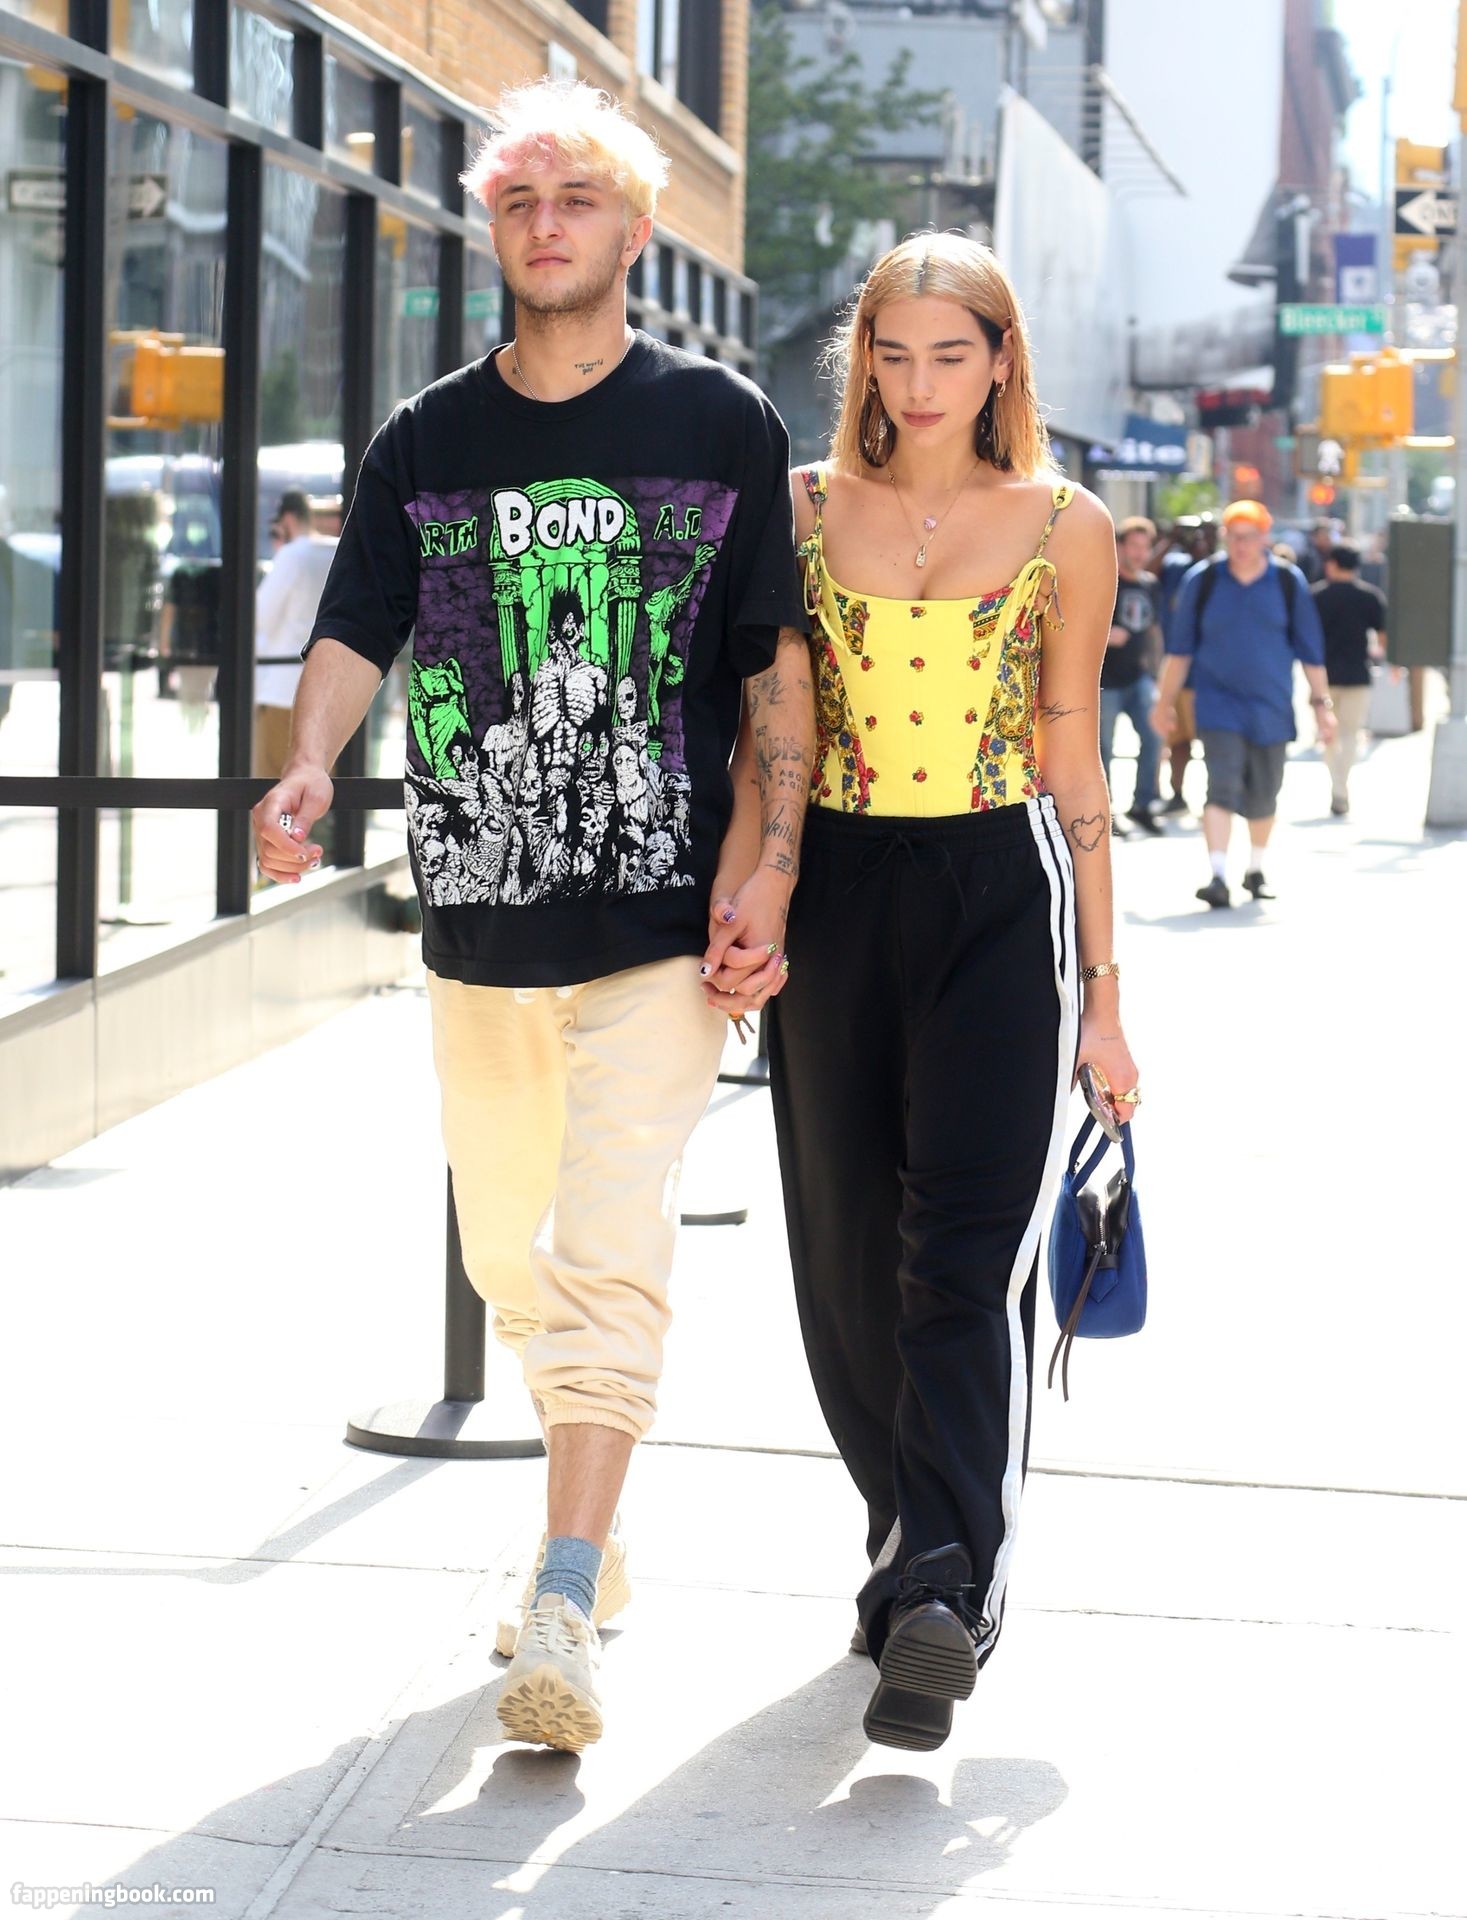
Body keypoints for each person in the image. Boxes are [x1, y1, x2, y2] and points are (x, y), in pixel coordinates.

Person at [250, 78, 811, 1752]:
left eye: (573, 200)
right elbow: (356, 624)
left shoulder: (718, 421)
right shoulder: (427, 438)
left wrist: (769, 866)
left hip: (659, 920)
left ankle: (560, 1594)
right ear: (492, 231)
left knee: (609, 1243)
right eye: (517, 202)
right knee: (512, 1251)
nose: (543, 224)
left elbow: (771, 669)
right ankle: (603, 1533)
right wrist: (306, 764)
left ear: (635, 232)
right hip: (480, 921)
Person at [718, 231, 1139, 1754]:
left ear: (1001, 360)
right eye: (890, 355)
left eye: (949, 355)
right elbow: (771, 737)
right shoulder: (798, 510)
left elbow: (1072, 754)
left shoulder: (1066, 526)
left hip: (998, 894)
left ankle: (949, 1586)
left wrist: (1104, 996)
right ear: (861, 362)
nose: (916, 383)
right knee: (844, 1258)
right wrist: (756, 891)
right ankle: (902, 1548)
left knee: (959, 1257)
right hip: (836, 887)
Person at [1151, 498, 1335, 908]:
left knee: (1265, 794)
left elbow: (1310, 651)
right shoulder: (1204, 580)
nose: (1241, 545)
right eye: (1234, 537)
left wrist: (1322, 707)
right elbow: (1179, 651)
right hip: (1218, 705)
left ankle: (1255, 870)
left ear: (1264, 537)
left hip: (1272, 707)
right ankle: (1218, 876)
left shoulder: (1286, 582)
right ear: (1225, 537)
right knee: (1221, 785)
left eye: (1249, 537)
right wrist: (1163, 703)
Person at [253, 489, 337, 777]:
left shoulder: (292, 555)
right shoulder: (336, 552)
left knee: (274, 782)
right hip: (331, 693)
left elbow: (260, 617)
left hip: (283, 690)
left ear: (287, 520)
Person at [1312, 539, 1387, 816]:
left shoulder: (1316, 596)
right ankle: (1341, 788)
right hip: (1358, 675)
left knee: (1328, 735)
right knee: (1351, 735)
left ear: (1332, 564)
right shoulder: (1370, 596)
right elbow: (1382, 637)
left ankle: (1337, 784)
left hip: (1322, 677)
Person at [1100, 515, 1163, 835]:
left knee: (1154, 736)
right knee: (1103, 749)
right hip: (1104, 681)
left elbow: (1153, 631)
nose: (1139, 553)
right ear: (1119, 546)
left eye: (1144, 546)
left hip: (1138, 678)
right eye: (1134, 545)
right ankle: (1105, 812)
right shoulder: (1103, 580)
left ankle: (1143, 804)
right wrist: (1104, 634)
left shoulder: (1149, 584)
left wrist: (1158, 676)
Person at [1153, 515, 1216, 812]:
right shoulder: (1175, 566)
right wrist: (1171, 539)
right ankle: (1177, 794)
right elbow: (1146, 572)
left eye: (1207, 533)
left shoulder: (1220, 572)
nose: (1200, 539)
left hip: (1209, 674)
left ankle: (1217, 797)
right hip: (1177, 670)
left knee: (1215, 741)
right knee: (1177, 740)